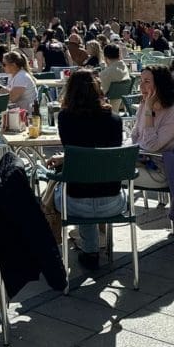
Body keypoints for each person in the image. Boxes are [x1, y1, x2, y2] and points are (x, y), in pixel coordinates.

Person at [46, 70, 124, 269]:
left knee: (65, 187)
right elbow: (100, 151)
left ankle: (89, 250)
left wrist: (64, 160)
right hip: (113, 201)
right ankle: (94, 245)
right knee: (90, 183)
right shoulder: (115, 120)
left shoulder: (65, 118)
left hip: (76, 203)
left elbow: (78, 148)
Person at [98, 43, 132, 112]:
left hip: (106, 108)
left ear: (105, 57)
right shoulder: (124, 67)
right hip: (121, 105)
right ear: (119, 55)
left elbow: (99, 93)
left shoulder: (106, 73)